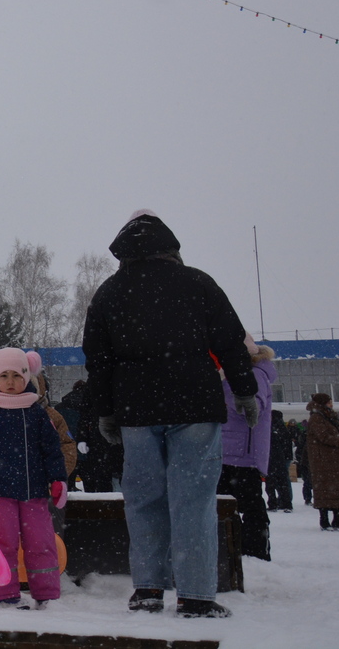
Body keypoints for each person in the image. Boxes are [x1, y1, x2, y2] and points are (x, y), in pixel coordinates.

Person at [81, 210, 255, 618]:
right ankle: (195, 596)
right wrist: (245, 391)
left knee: (143, 499)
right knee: (193, 500)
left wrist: (106, 411)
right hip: (194, 403)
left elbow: (97, 360)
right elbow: (230, 340)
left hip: (137, 409)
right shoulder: (198, 282)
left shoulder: (110, 291)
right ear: (171, 247)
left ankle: (148, 589)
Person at [0, 347, 67, 609]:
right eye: (4, 376)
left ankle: (46, 594)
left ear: (27, 377)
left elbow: (52, 450)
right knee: (2, 543)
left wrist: (58, 478)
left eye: (17, 375)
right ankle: (3, 594)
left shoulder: (36, 412)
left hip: (34, 492)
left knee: (41, 543)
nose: (11, 382)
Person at [218, 337, 277, 559]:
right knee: (226, 504)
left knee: (249, 505)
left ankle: (255, 553)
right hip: (230, 448)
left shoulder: (253, 374)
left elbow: (252, 408)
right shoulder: (243, 372)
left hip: (242, 452)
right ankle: (233, 552)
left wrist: (223, 390)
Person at [305, 393, 339, 531]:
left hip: (333, 459)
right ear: (322, 404)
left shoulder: (327, 416)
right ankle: (325, 520)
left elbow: (332, 434)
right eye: (329, 402)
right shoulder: (317, 418)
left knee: (337, 490)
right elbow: (324, 436)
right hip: (323, 460)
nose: (331, 404)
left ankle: (338, 520)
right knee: (325, 490)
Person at [265, 410, 294, 512]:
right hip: (282, 458)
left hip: (271, 458)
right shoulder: (284, 429)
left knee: (271, 483)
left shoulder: (270, 427)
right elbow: (287, 444)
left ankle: (273, 503)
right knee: (284, 482)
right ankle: (286, 502)